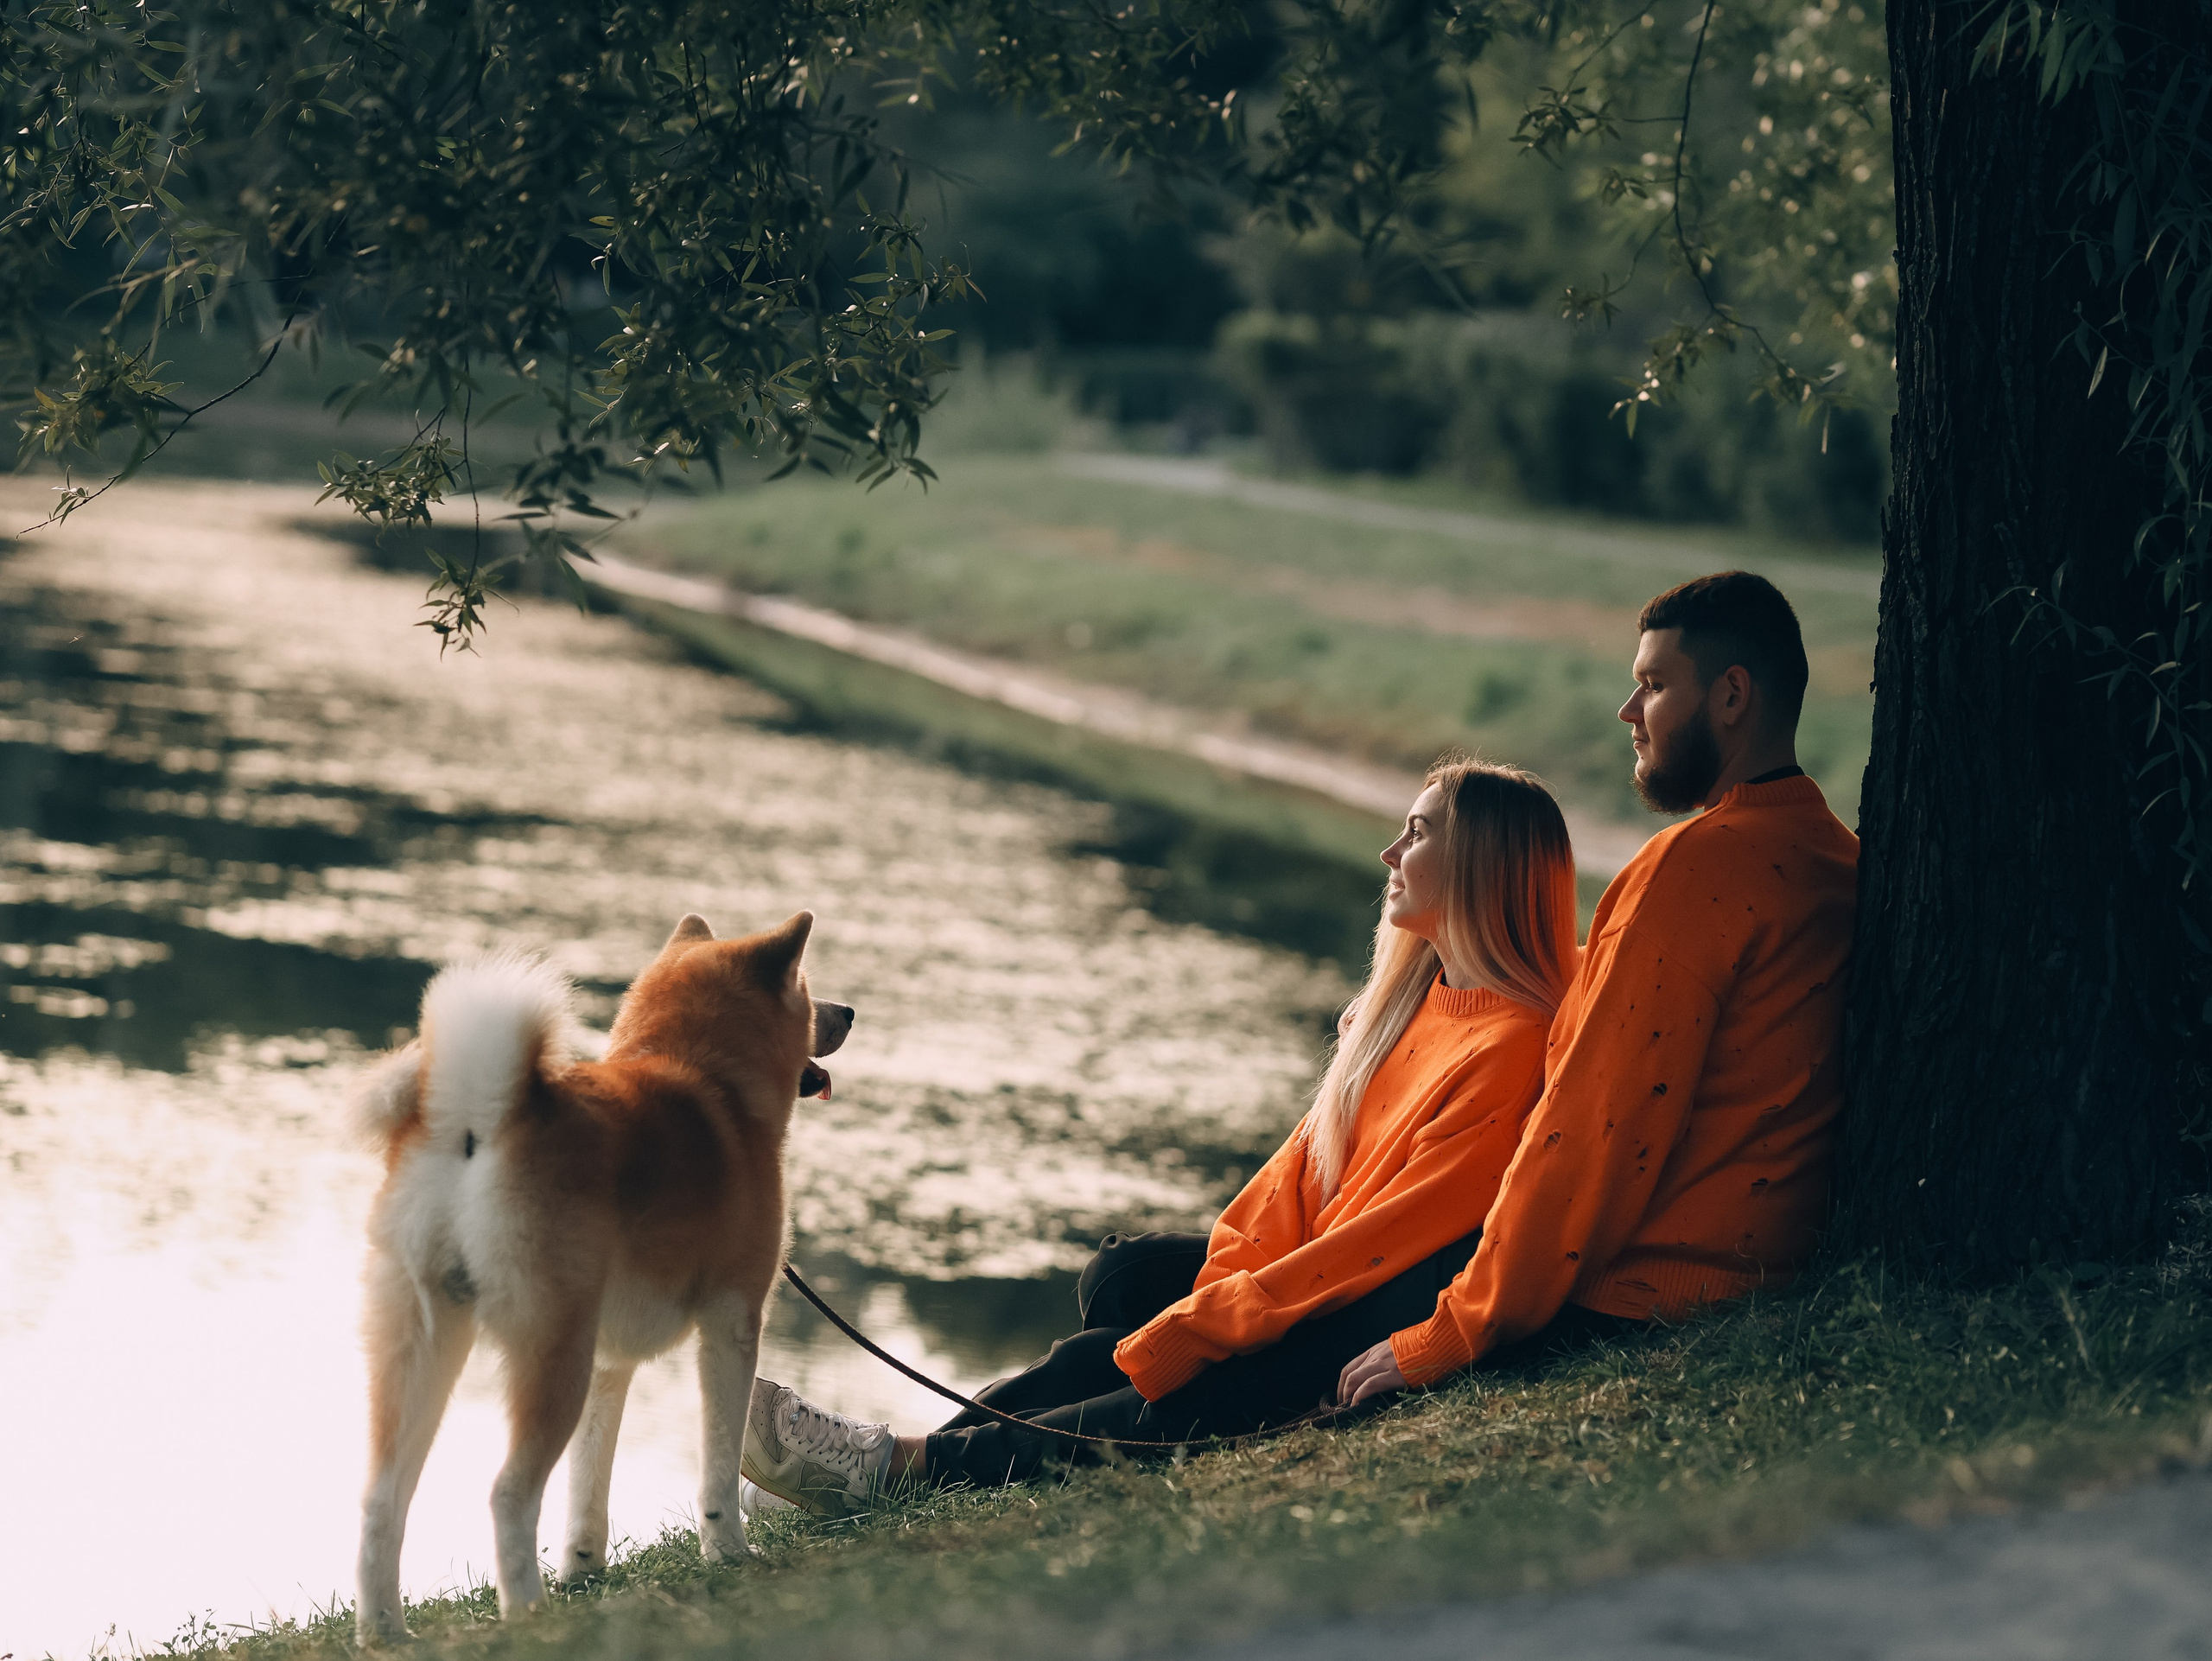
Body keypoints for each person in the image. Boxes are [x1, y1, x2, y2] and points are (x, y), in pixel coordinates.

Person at [741, 758, 1583, 1511]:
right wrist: (1225, 1278)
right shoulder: (1410, 1007)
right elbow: (1298, 1175)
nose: (1388, 854)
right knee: (1127, 1279)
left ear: (1479, 865)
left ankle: (910, 1469)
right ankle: (894, 1460)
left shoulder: (1507, 1046)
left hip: (1377, 1294)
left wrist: (1224, 1318)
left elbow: (1381, 1239)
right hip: (1327, 1263)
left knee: (1207, 1367)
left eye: (1417, 831)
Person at [1334, 570, 1860, 1407]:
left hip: (1634, 1297)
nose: (1628, 711)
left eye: (1653, 684)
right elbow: (1650, 996)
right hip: (1752, 1267)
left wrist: (1450, 1332)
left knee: (1163, 1290)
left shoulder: (1691, 869)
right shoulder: (1835, 856)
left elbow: (1589, 1134)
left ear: (1731, 695)